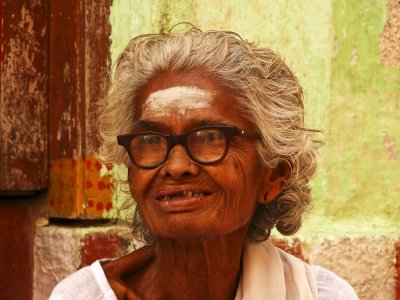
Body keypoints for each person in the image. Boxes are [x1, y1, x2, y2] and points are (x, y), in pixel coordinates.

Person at [50, 27, 358, 299]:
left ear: (273, 175)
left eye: (210, 137)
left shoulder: (319, 296)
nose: (176, 166)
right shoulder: (84, 296)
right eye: (150, 141)